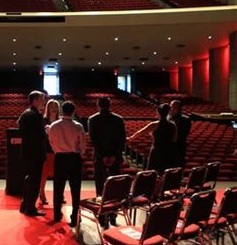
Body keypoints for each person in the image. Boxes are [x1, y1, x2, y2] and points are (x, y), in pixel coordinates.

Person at [88, 97, 126, 227]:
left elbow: (94, 140)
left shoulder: (93, 119)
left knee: (100, 185)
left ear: (98, 105)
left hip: (100, 157)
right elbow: (122, 140)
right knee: (115, 186)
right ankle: (113, 214)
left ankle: (102, 215)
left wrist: (104, 155)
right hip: (115, 157)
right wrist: (114, 156)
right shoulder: (118, 119)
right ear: (110, 105)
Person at [48, 101, 86, 227]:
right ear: (73, 111)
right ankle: (75, 217)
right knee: (76, 189)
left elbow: (52, 143)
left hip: (60, 158)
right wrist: (79, 154)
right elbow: (83, 146)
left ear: (62, 111)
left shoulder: (53, 126)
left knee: (58, 188)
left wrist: (58, 152)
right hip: (74, 158)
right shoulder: (78, 126)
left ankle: (56, 215)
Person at [18, 91, 47, 217]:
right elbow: (39, 136)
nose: (44, 102)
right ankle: (30, 208)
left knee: (29, 179)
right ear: (35, 100)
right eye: (42, 99)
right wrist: (46, 132)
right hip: (35, 153)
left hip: (28, 152)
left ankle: (25, 205)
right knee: (34, 181)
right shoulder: (34, 115)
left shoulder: (25, 113)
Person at [128, 103, 178, 175]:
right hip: (169, 151)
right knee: (165, 172)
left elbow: (140, 132)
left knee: (152, 172)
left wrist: (131, 138)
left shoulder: (155, 124)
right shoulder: (173, 125)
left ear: (158, 113)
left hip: (157, 150)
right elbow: (175, 139)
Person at [39, 99, 60, 205]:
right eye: (51, 106)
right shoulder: (43, 120)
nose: (53, 109)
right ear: (47, 108)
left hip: (58, 150)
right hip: (47, 149)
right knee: (44, 173)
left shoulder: (61, 121)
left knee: (59, 174)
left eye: (55, 106)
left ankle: (59, 194)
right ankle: (41, 193)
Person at [168, 100, 191, 169]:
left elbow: (184, 133)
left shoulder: (185, 119)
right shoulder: (168, 117)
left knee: (177, 166)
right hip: (169, 146)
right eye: (171, 107)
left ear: (179, 109)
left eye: (174, 107)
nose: (171, 109)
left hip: (178, 146)